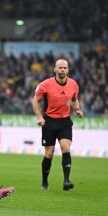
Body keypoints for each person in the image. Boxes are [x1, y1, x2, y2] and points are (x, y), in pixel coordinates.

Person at [32, 59, 83, 191]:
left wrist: (77, 110)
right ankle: (44, 181)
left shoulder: (73, 84)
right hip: (49, 121)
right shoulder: (45, 85)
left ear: (68, 70)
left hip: (65, 121)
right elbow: (35, 101)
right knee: (49, 153)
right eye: (59, 67)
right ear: (55, 69)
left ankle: (66, 181)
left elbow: (75, 99)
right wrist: (39, 117)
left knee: (65, 148)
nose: (62, 70)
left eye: (64, 68)